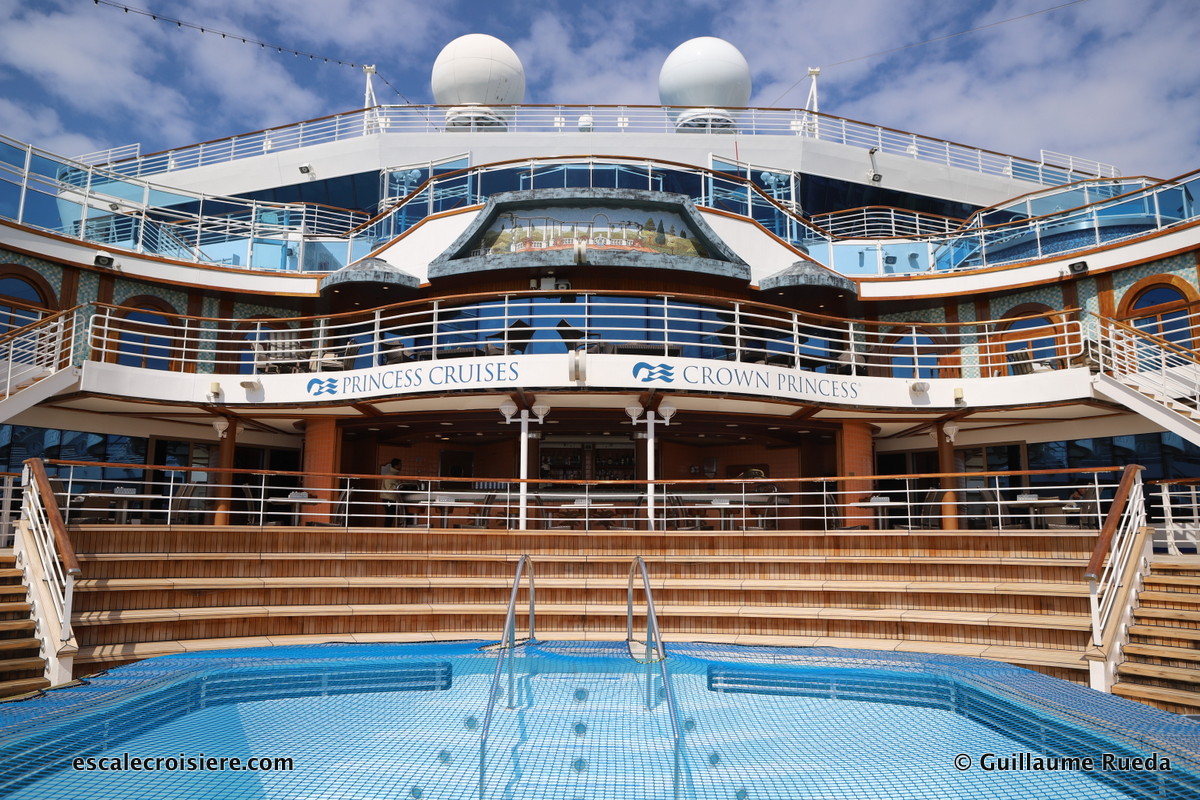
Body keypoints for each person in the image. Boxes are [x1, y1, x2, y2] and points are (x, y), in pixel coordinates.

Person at [380, 458, 403, 526]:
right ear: (396, 465)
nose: (401, 466)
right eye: (400, 465)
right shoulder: (391, 474)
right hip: (389, 498)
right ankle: (386, 531)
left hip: (390, 498)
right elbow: (389, 488)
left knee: (390, 516)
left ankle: (387, 530)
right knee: (389, 516)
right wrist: (399, 488)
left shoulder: (394, 474)